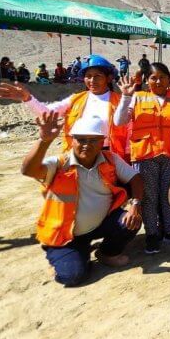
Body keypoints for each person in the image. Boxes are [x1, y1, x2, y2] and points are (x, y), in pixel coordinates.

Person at [21, 113, 143, 286]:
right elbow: (29, 170)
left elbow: (135, 178)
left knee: (131, 220)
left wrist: (135, 205)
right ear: (72, 141)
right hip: (65, 235)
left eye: (93, 140)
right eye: (81, 139)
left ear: (102, 142)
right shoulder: (59, 164)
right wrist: (44, 141)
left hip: (100, 224)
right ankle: (68, 255)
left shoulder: (111, 159)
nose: (87, 145)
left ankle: (106, 253)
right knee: (72, 277)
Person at [115, 63, 170, 253]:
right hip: (145, 156)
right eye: (153, 77)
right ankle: (152, 234)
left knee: (168, 196)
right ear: (147, 80)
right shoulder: (137, 98)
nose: (158, 81)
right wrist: (125, 96)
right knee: (149, 198)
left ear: (168, 79)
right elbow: (119, 121)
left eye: (162, 77)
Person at [0, 54, 129, 158]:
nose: (92, 80)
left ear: (109, 78)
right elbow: (46, 113)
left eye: (98, 76)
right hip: (79, 156)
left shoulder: (120, 101)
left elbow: (129, 133)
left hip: (111, 156)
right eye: (88, 76)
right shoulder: (75, 100)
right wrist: (27, 98)